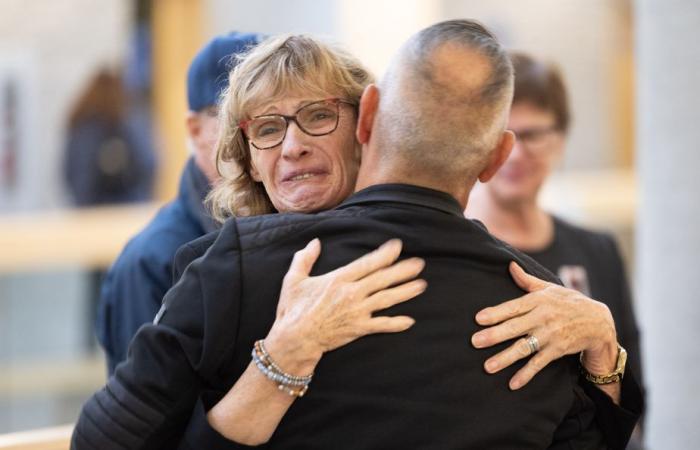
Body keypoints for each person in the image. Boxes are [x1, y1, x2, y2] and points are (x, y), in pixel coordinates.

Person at [73, 21, 641, 449]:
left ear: (366, 123)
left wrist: (604, 352)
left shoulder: (527, 297)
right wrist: (279, 362)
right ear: (242, 156)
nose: (292, 145)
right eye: (266, 129)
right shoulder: (227, 267)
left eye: (318, 116)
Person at [465, 52, 644, 405]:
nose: (514, 154)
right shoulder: (457, 247)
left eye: (532, 135)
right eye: (502, 135)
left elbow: (633, 390)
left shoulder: (597, 251)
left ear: (560, 139)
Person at [96, 32, 260, 373]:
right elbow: (143, 416)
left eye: (268, 113)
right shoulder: (152, 260)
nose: (253, 130)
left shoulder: (285, 222)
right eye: (233, 114)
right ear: (195, 130)